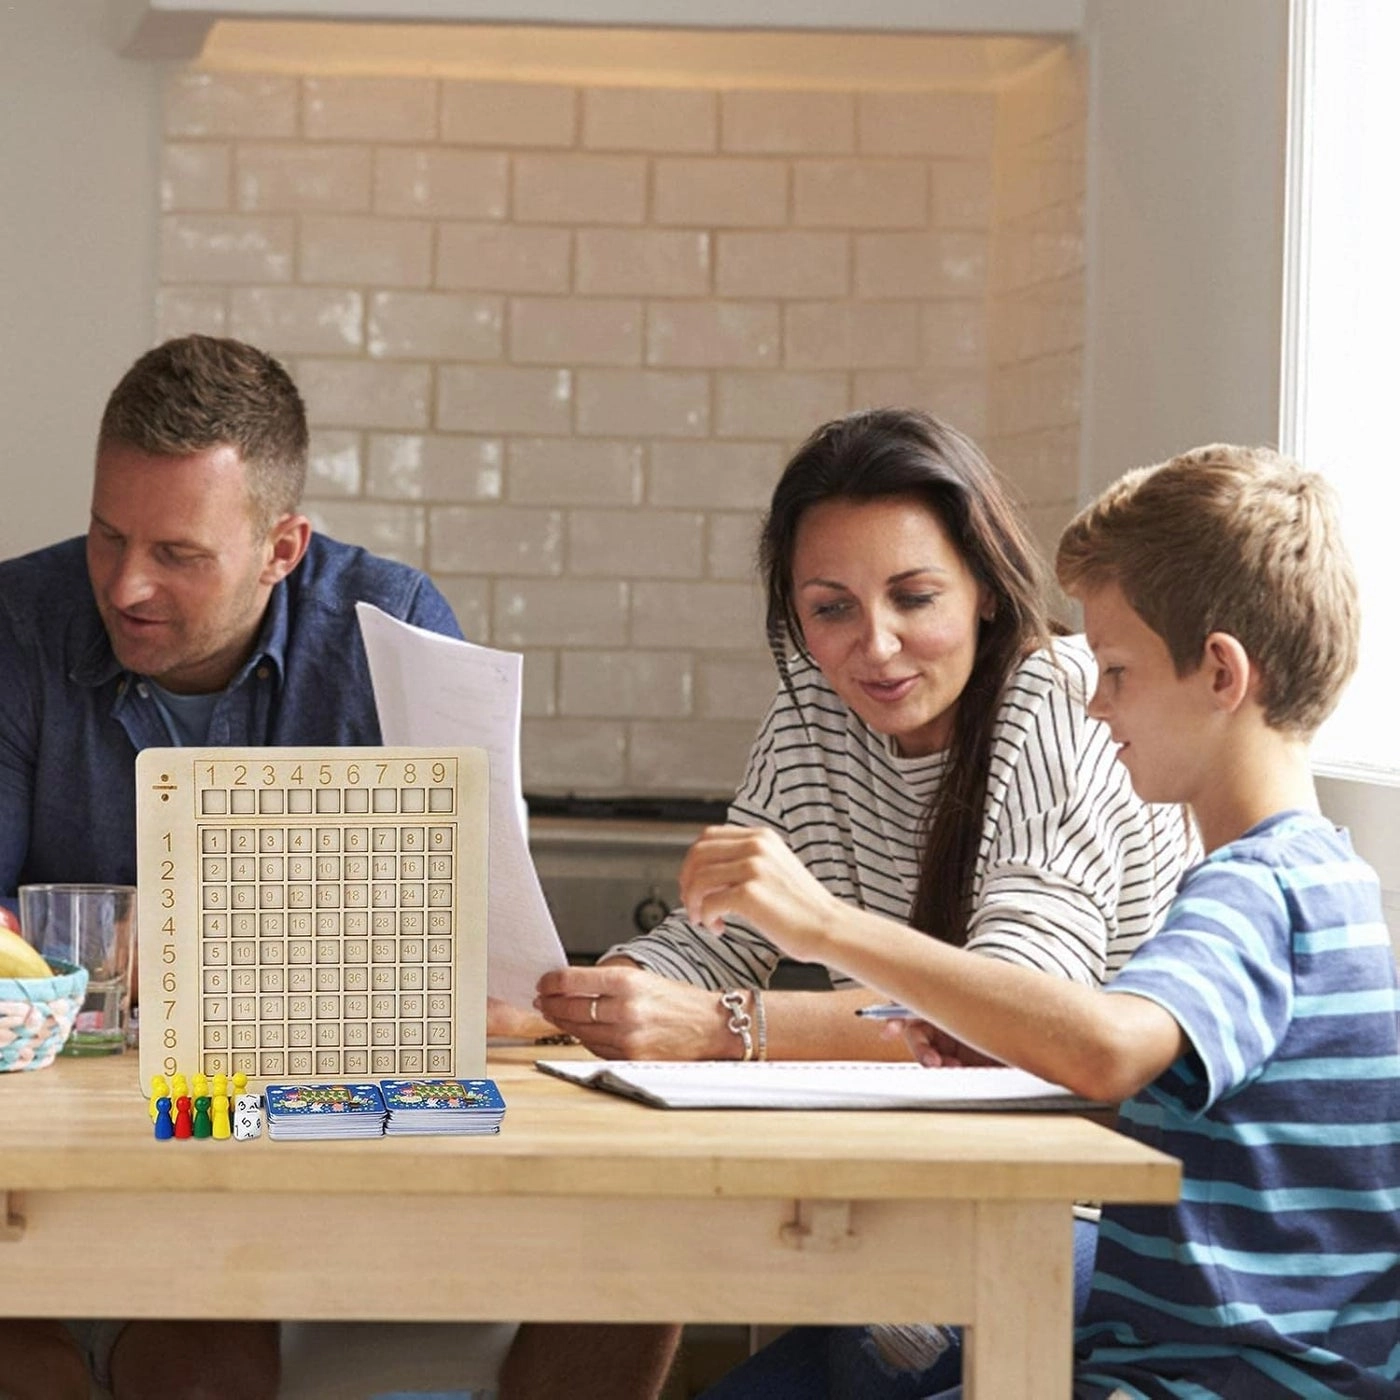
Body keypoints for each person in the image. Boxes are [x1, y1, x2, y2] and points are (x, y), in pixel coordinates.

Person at [685, 443, 1399, 1398]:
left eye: (1113, 669)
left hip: (1220, 1381)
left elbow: (1107, 1043)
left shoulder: (1260, 893)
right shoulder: (1321, 878)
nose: (1095, 705)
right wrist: (1012, 1055)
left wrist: (825, 928)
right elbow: (1197, 1115)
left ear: (1221, 674)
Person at [0, 334, 456, 1400]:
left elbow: (439, 930)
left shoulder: (396, 633)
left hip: (287, 1127)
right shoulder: (15, 624)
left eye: (178, 553)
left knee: (206, 1359)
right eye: (107, 534)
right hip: (51, 1137)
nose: (125, 583)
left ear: (282, 547)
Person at [537, 408, 1194, 1065]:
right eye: (832, 608)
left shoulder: (1063, 695)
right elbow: (720, 937)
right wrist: (579, 999)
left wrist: (725, 1026)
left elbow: (1017, 1013)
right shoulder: (816, 703)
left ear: (986, 591)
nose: (876, 648)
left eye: (914, 598)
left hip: (1103, 1145)